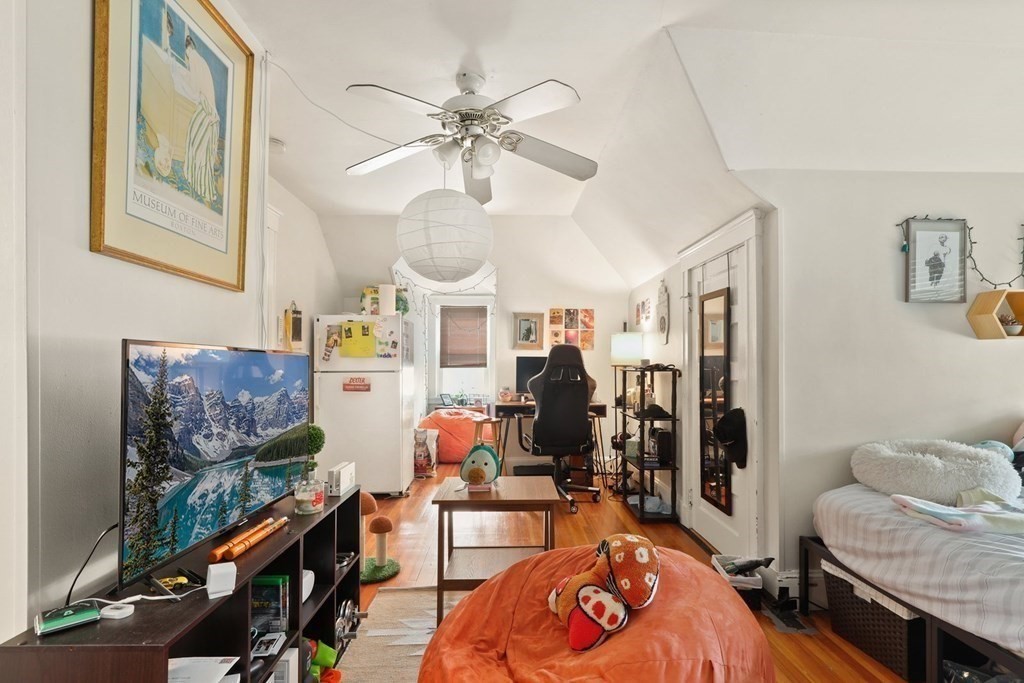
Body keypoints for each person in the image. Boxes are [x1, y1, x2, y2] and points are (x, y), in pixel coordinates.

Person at [183, 33, 221, 207]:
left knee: (197, 144)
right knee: (197, 144)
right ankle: (195, 179)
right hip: (209, 111)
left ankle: (197, 182)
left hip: (208, 113)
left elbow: (194, 89)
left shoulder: (195, 62)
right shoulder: (201, 62)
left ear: (188, 51)